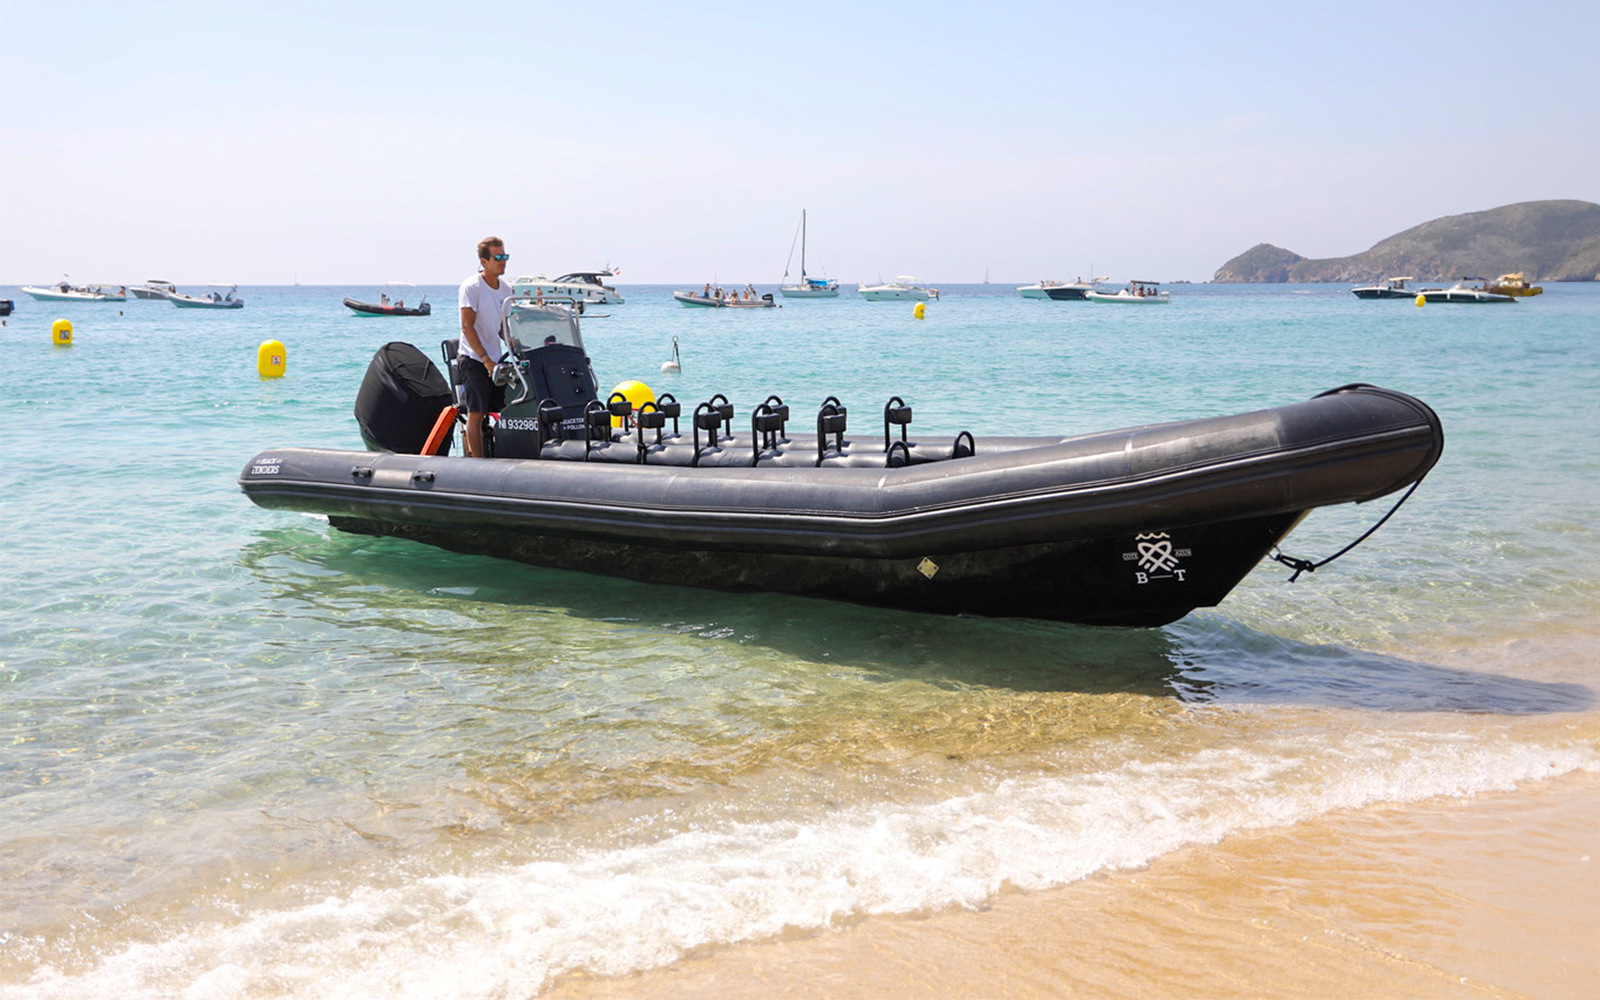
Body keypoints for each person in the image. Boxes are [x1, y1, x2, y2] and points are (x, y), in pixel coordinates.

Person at [458, 236, 515, 458]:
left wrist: (515, 346)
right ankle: (478, 462)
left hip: (496, 359)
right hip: (474, 358)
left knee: (506, 407)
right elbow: (467, 326)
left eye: (505, 256)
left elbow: (503, 327)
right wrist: (485, 359)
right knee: (477, 412)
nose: (503, 261)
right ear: (484, 261)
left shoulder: (506, 289)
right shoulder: (472, 287)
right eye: (497, 257)